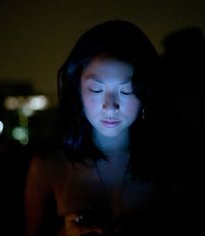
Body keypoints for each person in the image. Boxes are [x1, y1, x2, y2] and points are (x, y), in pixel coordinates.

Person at [25, 19, 175, 236]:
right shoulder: (47, 169)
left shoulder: (170, 166)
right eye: (96, 89)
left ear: (145, 93)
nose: (111, 106)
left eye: (126, 91)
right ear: (78, 90)